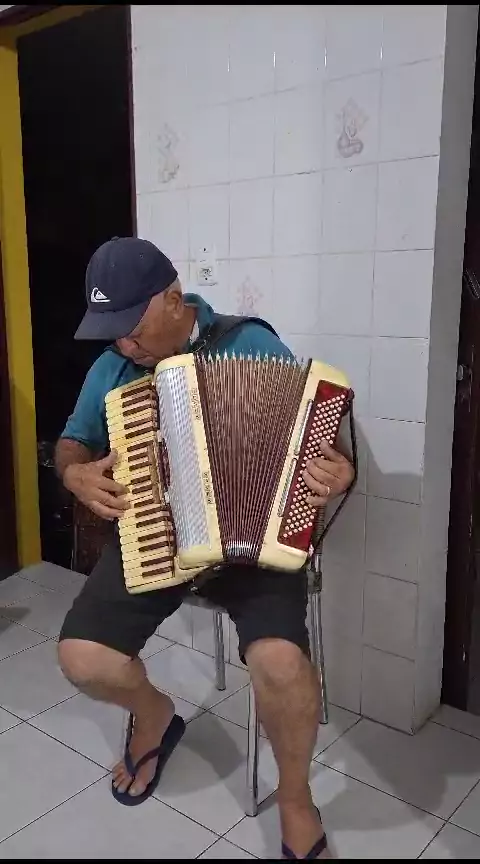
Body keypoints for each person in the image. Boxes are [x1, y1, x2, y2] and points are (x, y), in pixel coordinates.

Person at [56, 237, 355, 860]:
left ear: (173, 300)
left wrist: (339, 473)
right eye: (112, 333)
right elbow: (73, 442)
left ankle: (295, 800)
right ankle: (155, 714)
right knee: (82, 658)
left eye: (131, 329)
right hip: (156, 536)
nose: (123, 346)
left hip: (253, 547)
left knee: (281, 664)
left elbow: (318, 446)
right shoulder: (112, 368)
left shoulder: (251, 344)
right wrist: (74, 474)